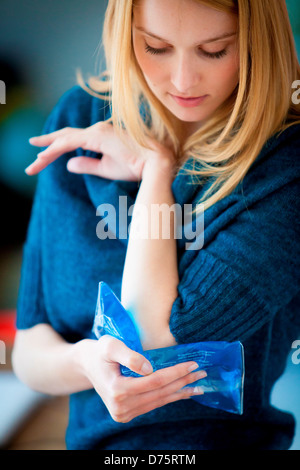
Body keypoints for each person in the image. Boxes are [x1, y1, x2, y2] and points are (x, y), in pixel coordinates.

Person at [12, 0, 300, 450]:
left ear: (256, 46)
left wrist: (155, 170)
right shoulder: (79, 119)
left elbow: (152, 335)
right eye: (156, 47)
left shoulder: (286, 161)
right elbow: (30, 348)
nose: (183, 80)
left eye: (214, 50)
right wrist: (87, 360)